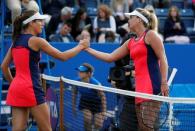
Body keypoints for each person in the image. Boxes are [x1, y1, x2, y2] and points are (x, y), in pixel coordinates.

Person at [0, 10, 89, 131]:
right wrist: (81, 46)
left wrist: (14, 83)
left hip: (17, 88)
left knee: (18, 129)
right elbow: (62, 56)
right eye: (39, 21)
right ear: (31, 23)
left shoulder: (16, 41)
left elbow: (4, 67)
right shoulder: (37, 41)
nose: (42, 23)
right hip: (31, 88)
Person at [85, 8, 169, 131]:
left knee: (146, 128)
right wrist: (88, 49)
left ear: (139, 19)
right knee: (142, 127)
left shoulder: (151, 35)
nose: (128, 20)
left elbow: (163, 59)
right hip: (138, 90)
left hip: (152, 88)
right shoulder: (131, 42)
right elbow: (110, 57)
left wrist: (163, 82)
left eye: (131, 17)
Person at [72, 63, 106, 131]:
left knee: (98, 124)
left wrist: (104, 111)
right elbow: (74, 94)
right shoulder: (76, 81)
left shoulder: (96, 84)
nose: (79, 73)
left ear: (88, 73)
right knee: (87, 119)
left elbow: (103, 97)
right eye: (79, 71)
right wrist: (73, 107)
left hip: (97, 104)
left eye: (82, 72)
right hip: (85, 102)